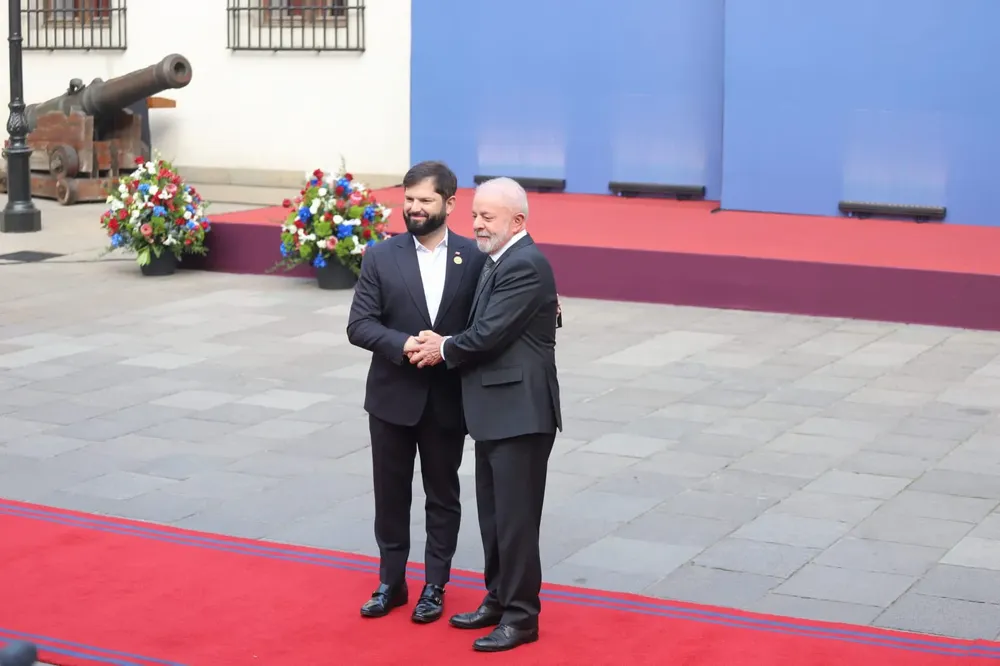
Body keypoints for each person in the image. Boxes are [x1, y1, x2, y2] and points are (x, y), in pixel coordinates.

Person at [408, 177, 561, 653]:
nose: (475, 224)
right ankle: (498, 598)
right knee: (495, 518)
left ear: (517, 221)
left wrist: (442, 346)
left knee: (515, 522)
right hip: (496, 412)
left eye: (487, 217)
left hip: (521, 414)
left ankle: (521, 617)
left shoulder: (525, 265)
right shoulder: (499, 260)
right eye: (474, 215)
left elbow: (488, 333)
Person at [346, 161, 487, 623]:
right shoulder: (381, 256)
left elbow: (484, 327)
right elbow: (360, 325)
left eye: (425, 201)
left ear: (449, 203)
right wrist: (405, 345)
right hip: (391, 398)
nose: (414, 208)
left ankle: (435, 585)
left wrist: (445, 352)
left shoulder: (474, 258)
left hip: (447, 400)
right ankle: (391, 582)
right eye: (408, 200)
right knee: (390, 494)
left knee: (442, 494)